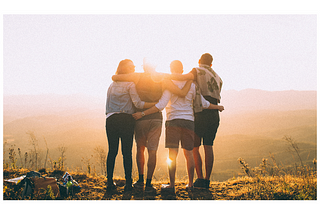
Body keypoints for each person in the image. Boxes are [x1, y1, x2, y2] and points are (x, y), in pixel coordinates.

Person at [133, 60, 224, 193]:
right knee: (189, 154)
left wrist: (142, 113)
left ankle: (172, 185)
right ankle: (191, 184)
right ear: (182, 70)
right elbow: (203, 103)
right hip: (189, 121)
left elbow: (161, 105)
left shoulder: (169, 84)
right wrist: (218, 107)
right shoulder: (192, 85)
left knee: (172, 154)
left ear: (171, 69)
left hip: (173, 121)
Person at [112, 59, 191, 193]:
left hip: (140, 118)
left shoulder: (137, 76)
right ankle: (149, 184)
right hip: (156, 118)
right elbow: (179, 82)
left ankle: (140, 180)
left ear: (144, 67)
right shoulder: (162, 77)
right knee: (152, 150)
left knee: (140, 148)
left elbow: (115, 77)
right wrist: (190, 78)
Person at [167, 53, 223, 189]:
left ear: (199, 61)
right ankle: (207, 181)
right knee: (208, 146)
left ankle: (199, 179)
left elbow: (183, 77)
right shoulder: (217, 77)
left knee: (194, 147)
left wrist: (164, 77)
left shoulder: (196, 71)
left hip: (200, 112)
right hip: (213, 113)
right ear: (211, 63)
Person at [105, 59, 156, 192]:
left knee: (112, 151)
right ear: (125, 69)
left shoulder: (111, 85)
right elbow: (138, 104)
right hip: (126, 120)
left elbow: (108, 105)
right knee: (126, 152)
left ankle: (109, 183)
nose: (133, 68)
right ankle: (128, 183)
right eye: (131, 66)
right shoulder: (130, 84)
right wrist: (155, 104)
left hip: (111, 119)